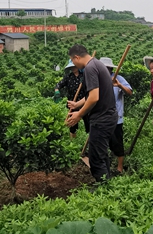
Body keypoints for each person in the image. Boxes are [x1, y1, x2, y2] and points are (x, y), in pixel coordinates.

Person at [65, 45, 117, 182]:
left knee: (96, 157)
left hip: (102, 119)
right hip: (108, 116)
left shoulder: (89, 68)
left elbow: (94, 97)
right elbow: (91, 94)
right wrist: (77, 104)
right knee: (101, 153)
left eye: (72, 60)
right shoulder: (97, 64)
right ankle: (108, 184)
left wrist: (79, 114)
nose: (73, 64)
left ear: (77, 57)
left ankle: (103, 189)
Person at [100, 57, 132, 174]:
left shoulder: (118, 78)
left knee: (117, 143)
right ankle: (106, 167)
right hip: (102, 118)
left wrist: (119, 86)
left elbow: (129, 92)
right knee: (103, 144)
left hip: (116, 119)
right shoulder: (99, 80)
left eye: (106, 68)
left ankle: (119, 168)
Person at [55, 59, 87, 138]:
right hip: (72, 104)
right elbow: (58, 85)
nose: (73, 68)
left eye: (74, 66)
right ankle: (73, 142)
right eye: (71, 67)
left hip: (84, 103)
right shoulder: (68, 77)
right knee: (73, 125)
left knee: (88, 122)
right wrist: (56, 91)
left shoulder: (84, 76)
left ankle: (89, 141)